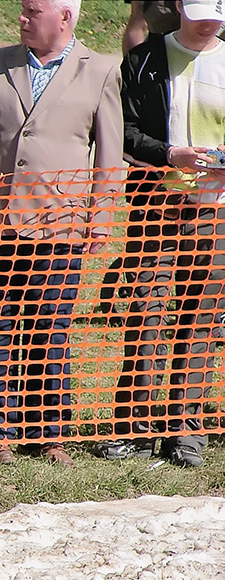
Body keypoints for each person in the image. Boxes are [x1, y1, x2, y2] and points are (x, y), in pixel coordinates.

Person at [0, 0, 122, 467]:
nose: (22, 18)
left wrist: (103, 215)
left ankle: (48, 432)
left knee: (50, 329)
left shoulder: (100, 70)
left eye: (33, 11)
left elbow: (109, 157)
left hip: (62, 226)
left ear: (65, 17)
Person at [97, 0, 225, 468]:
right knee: (145, 313)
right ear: (176, 8)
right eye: (199, 11)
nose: (209, 20)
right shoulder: (145, 56)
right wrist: (170, 154)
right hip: (154, 205)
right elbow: (124, 130)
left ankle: (185, 431)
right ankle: (133, 427)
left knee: (200, 320)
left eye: (217, 12)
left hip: (214, 211)